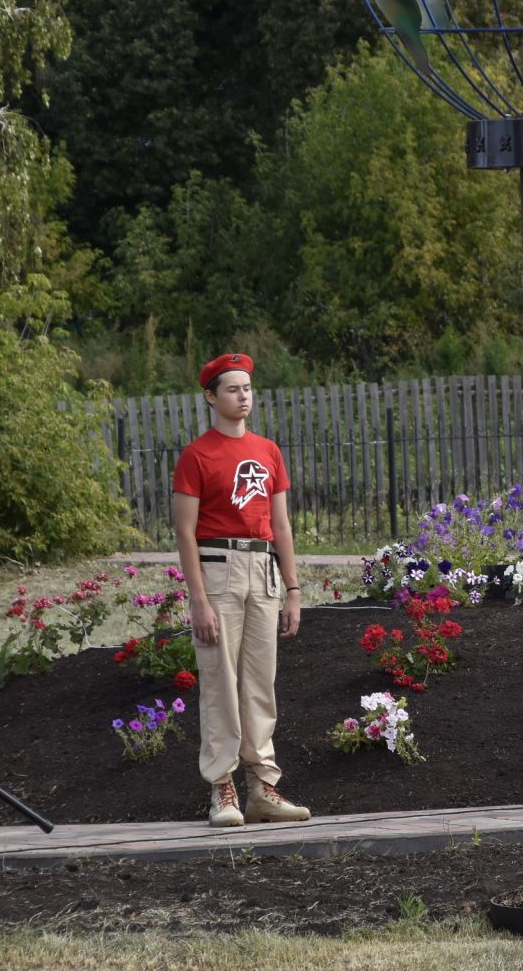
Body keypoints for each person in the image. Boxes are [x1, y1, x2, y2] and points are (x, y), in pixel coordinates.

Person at [173, 353, 310, 828]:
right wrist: (198, 598)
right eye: (232, 389)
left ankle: (262, 788)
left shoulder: (268, 450)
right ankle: (222, 788)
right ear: (211, 396)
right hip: (217, 569)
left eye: (247, 388)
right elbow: (185, 532)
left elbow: (281, 524)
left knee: (259, 682)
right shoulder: (196, 455)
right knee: (219, 680)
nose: (242, 396)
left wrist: (292, 588)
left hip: (263, 571)